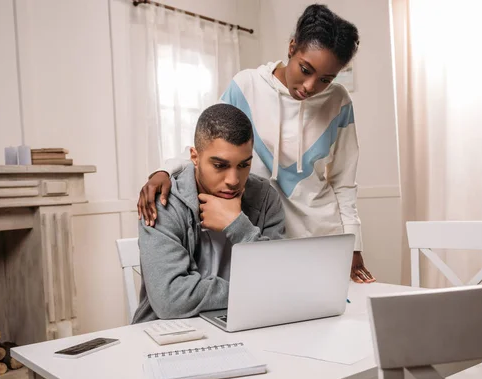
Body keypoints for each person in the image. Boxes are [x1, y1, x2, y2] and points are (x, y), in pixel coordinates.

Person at [137, 4, 375, 283]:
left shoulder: (339, 102)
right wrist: (164, 171)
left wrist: (354, 245)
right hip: (262, 234)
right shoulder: (246, 86)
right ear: (291, 47)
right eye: (305, 69)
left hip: (321, 236)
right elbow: (211, 141)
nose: (311, 86)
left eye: (326, 79)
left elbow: (343, 182)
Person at [132, 104, 285, 323]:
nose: (233, 180)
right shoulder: (162, 202)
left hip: (248, 324)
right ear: (194, 157)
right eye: (220, 166)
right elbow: (172, 299)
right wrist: (260, 289)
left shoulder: (266, 198)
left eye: (243, 165)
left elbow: (282, 278)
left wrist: (237, 225)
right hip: (170, 334)